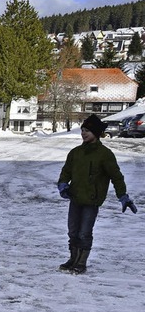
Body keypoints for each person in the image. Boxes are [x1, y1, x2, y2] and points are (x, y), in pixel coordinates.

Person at [57, 114, 137, 274]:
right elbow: (66, 171)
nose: (84, 133)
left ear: (96, 133)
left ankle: (81, 262)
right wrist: (63, 185)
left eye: (87, 130)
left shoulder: (104, 154)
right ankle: (73, 258)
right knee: (72, 231)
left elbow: (116, 177)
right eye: (83, 130)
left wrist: (123, 197)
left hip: (92, 200)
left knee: (84, 232)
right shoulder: (76, 152)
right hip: (75, 197)